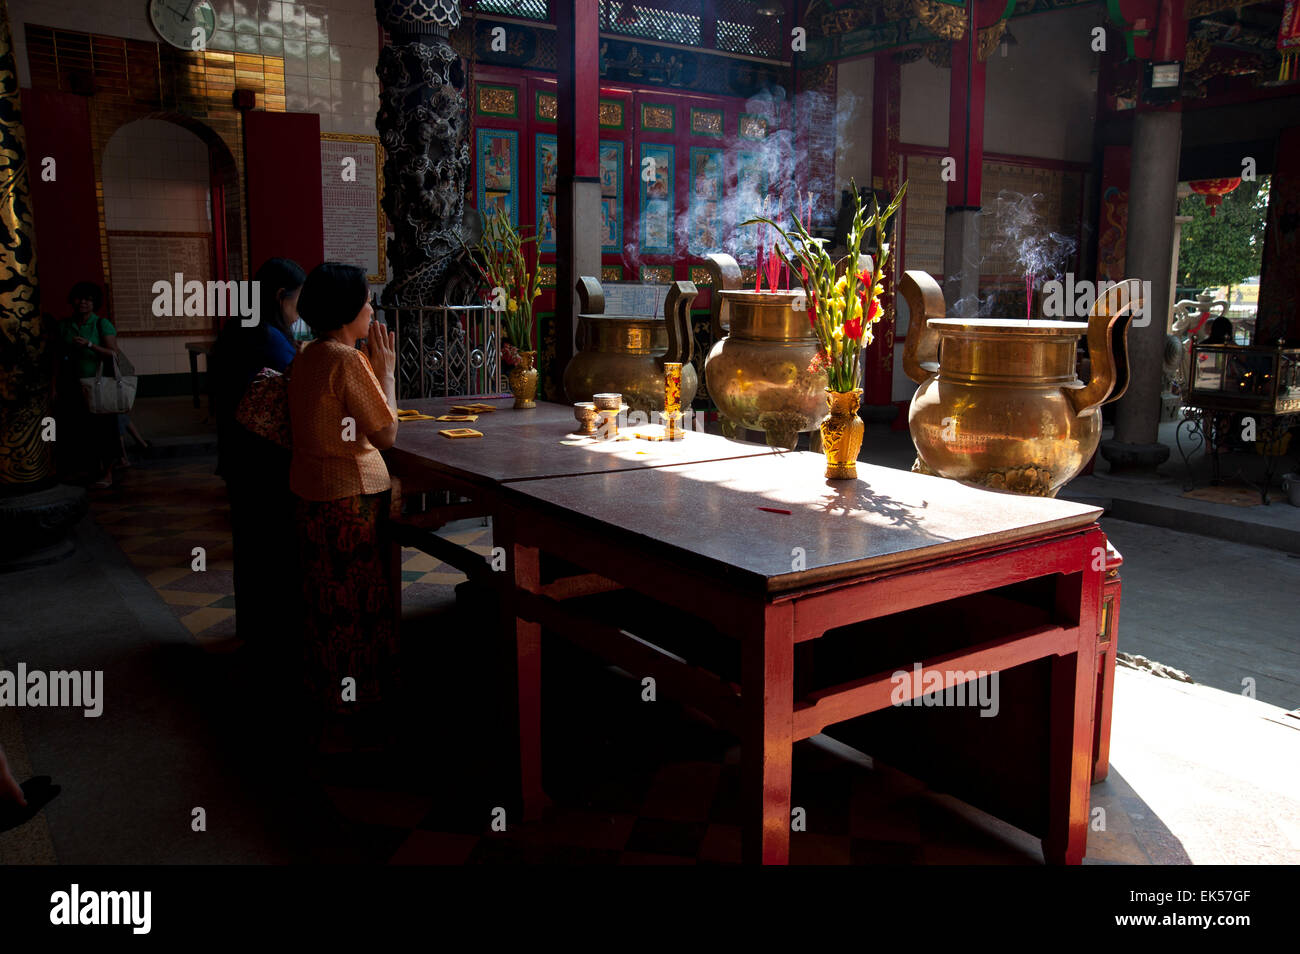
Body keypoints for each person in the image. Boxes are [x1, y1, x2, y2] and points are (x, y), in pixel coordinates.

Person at [288, 263, 398, 752]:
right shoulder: (345, 360)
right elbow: (387, 432)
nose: (372, 308)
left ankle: (328, 694)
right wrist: (387, 373)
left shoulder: (310, 356)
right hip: (350, 498)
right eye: (367, 301)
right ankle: (360, 701)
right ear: (348, 311)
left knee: (326, 599)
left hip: (311, 494)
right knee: (357, 601)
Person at [212, 258, 306, 665]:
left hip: (238, 458)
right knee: (274, 548)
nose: (299, 312)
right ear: (278, 297)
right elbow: (299, 390)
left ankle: (256, 632)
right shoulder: (268, 336)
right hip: (265, 463)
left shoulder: (237, 329)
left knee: (250, 547)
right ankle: (278, 638)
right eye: (297, 301)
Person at [54, 281, 120, 488]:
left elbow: (113, 354)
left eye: (88, 300)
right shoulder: (64, 325)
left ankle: (108, 473)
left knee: (103, 429)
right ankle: (87, 471)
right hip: (71, 385)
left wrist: (90, 345)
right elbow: (55, 357)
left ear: (94, 303)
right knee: (77, 430)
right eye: (79, 298)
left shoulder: (101, 324)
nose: (83, 303)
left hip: (97, 384)